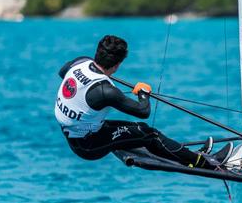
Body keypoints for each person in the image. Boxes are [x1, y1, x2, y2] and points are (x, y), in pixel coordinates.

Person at [54, 35, 232, 168]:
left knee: (137, 129)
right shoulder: (105, 91)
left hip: (77, 133)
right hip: (88, 147)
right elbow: (143, 111)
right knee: (150, 135)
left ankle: (190, 156)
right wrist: (143, 93)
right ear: (117, 65)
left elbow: (63, 72)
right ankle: (204, 163)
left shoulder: (81, 62)